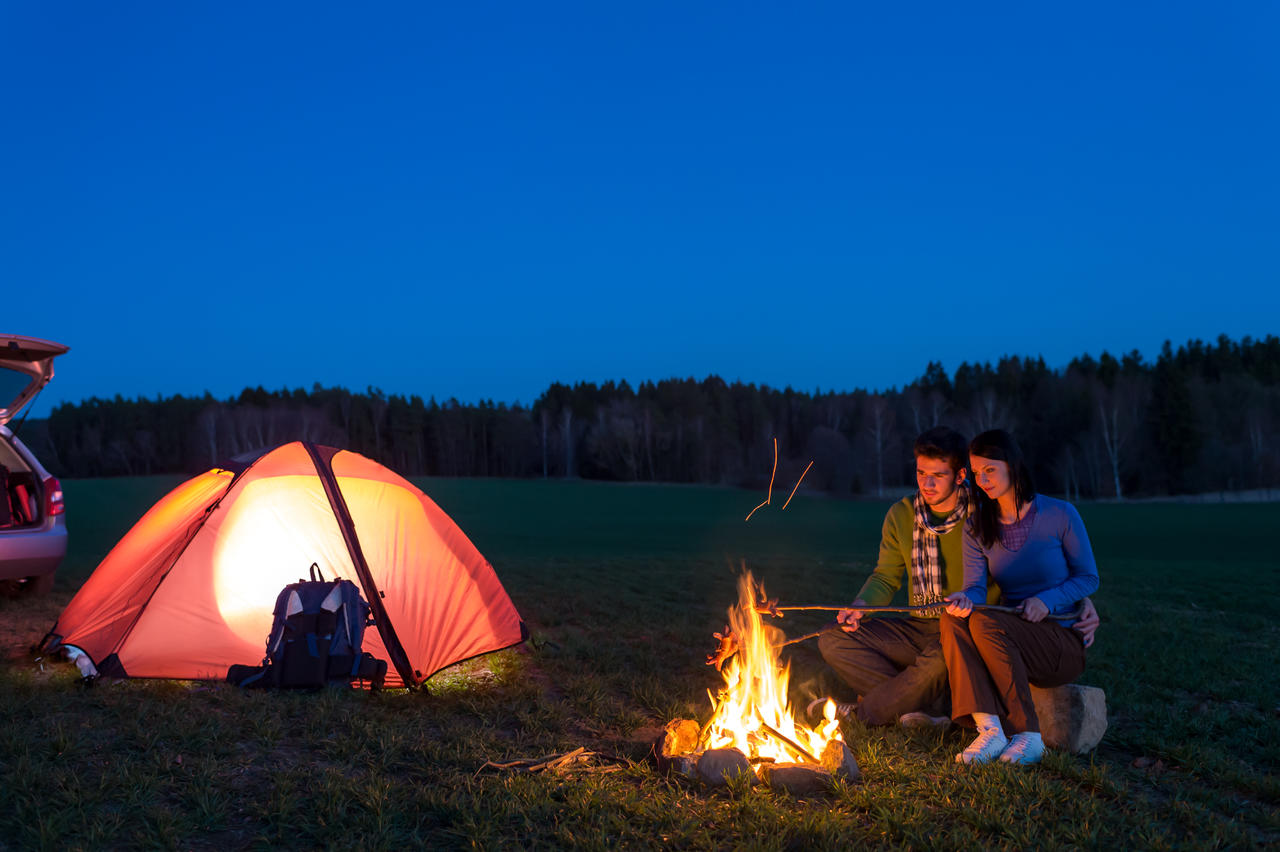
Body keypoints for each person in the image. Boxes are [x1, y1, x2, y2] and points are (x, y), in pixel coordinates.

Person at [813, 427, 1100, 728]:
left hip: (966, 629)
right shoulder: (901, 515)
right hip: (918, 624)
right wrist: (861, 605)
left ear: (960, 475)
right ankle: (930, 707)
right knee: (832, 638)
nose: (927, 483)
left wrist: (1080, 602)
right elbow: (886, 577)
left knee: (939, 660)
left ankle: (866, 713)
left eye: (938, 475)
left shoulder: (986, 513)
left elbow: (1029, 567)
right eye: (921, 473)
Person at [943, 429, 1100, 765]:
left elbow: (1088, 577)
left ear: (1011, 465)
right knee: (953, 617)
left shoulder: (1060, 514)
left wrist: (1047, 600)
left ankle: (1028, 735)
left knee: (986, 622)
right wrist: (964, 598)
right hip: (1010, 637)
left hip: (1061, 639)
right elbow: (975, 588)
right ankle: (990, 730)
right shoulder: (976, 527)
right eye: (976, 473)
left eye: (990, 470)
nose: (982, 479)